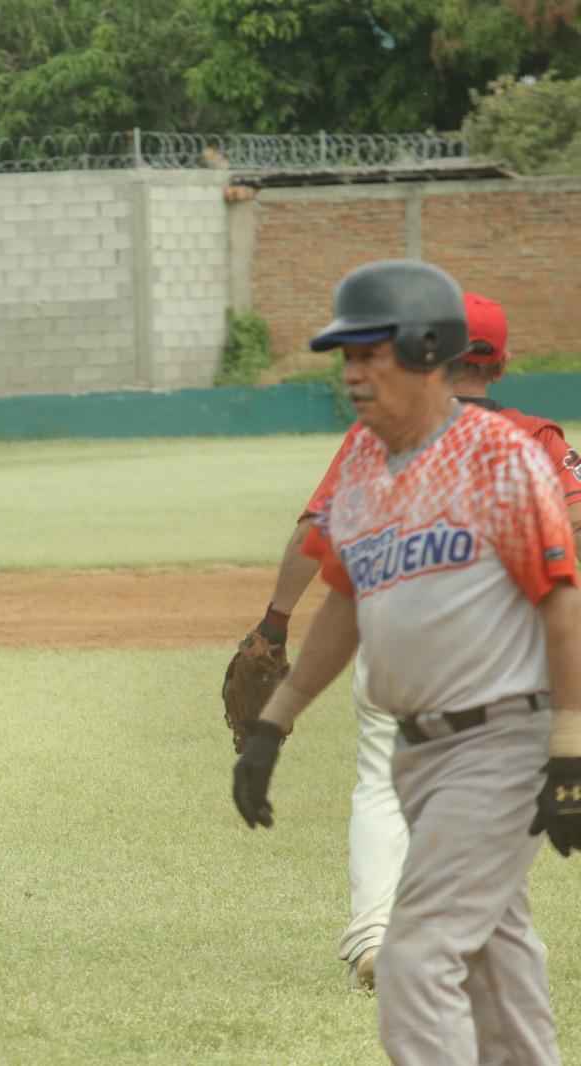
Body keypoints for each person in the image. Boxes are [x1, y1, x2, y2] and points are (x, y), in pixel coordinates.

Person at [232, 258, 581, 1065]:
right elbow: (348, 599)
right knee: (501, 958)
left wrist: (569, 747)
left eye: (369, 355)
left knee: (416, 961)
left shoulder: (503, 457)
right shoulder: (362, 460)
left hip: (500, 744)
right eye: (346, 358)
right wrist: (275, 725)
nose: (351, 374)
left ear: (429, 351)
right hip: (419, 752)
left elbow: (563, 603)